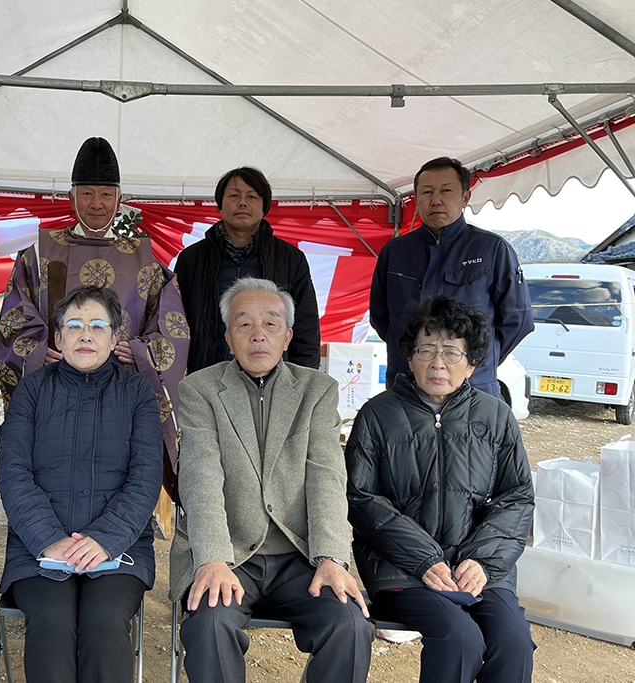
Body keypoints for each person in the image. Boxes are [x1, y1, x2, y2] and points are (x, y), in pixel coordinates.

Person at [170, 277, 373, 683]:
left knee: (350, 626)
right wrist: (212, 558)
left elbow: (327, 477)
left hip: (300, 556)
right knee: (209, 625)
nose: (257, 335)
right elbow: (200, 477)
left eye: (271, 324)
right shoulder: (200, 389)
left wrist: (332, 557)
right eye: (244, 325)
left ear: (288, 337)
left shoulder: (317, 390)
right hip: (230, 553)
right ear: (228, 338)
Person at [345, 294, 536, 683]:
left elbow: (516, 496)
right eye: (426, 349)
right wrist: (426, 560)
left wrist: (481, 561)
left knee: (512, 641)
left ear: (471, 364)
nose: (437, 363)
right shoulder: (377, 415)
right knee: (460, 637)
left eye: (451, 352)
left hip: (480, 569)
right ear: (409, 356)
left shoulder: (495, 414)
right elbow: (361, 499)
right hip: (400, 567)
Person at [0, 137, 188, 478]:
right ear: (71, 196)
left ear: (120, 200)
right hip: (55, 392)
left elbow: (173, 327)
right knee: (53, 475)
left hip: (122, 396)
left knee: (120, 477)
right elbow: (13, 320)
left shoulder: (145, 260)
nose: (96, 203)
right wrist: (37, 350)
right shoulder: (38, 255)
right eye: (87, 193)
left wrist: (141, 351)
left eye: (106, 194)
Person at [0, 285, 162, 683]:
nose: (85, 334)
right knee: (51, 623)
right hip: (38, 547)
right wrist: (47, 538)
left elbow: (145, 478)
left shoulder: (137, 392)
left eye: (97, 325)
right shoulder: (32, 390)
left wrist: (105, 538)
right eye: (73, 325)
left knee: (103, 621)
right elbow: (14, 472)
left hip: (119, 547)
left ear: (115, 337)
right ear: (57, 338)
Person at [369, 156, 533, 396]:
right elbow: (382, 318)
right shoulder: (394, 252)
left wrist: (471, 360)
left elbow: (517, 321)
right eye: (426, 192)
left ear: (465, 197)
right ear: (416, 199)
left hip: (472, 389)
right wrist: (414, 355)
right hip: (407, 387)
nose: (436, 200)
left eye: (446, 190)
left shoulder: (492, 250)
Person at [174, 166, 321, 374]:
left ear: (264, 206)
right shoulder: (192, 259)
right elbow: (176, 324)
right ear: (220, 203)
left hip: (271, 379)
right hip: (206, 376)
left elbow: (306, 328)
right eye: (234, 195)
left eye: (252, 196)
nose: (242, 202)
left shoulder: (290, 258)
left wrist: (302, 383)